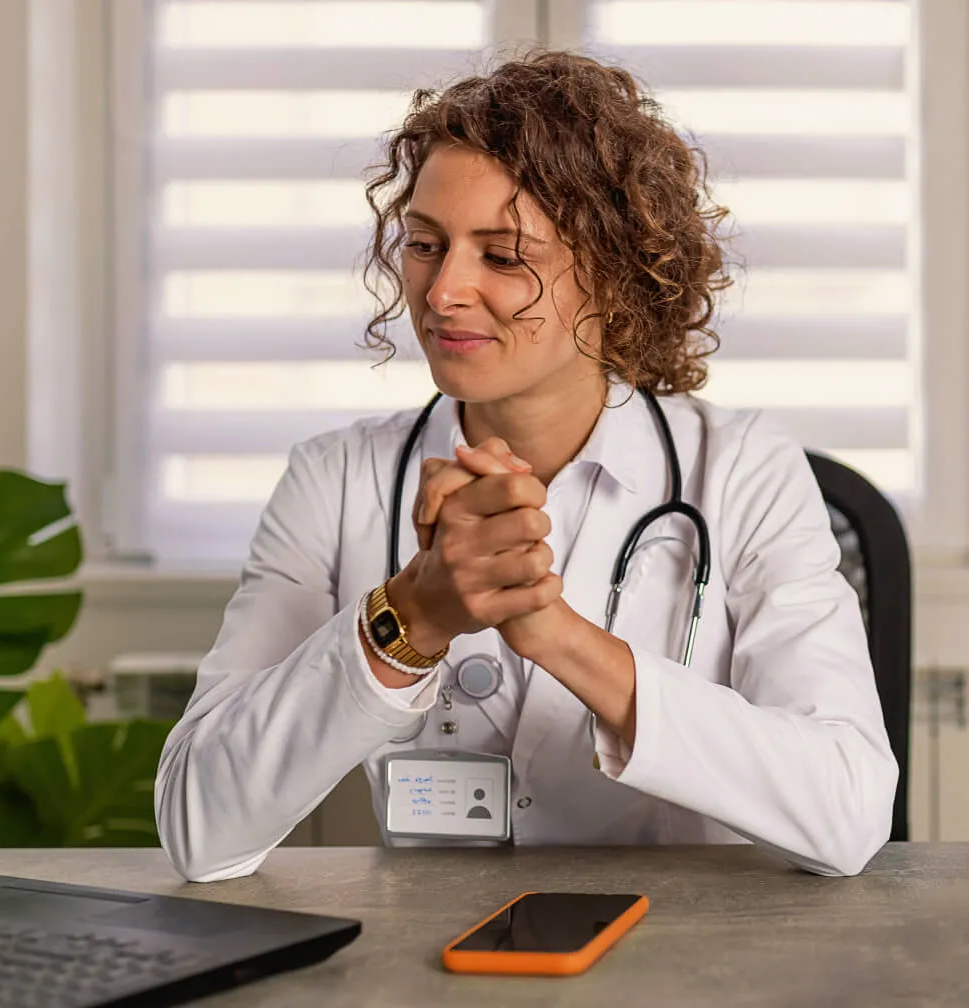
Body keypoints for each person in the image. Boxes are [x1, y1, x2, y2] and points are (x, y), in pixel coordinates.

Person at [154, 50, 898, 882]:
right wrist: (409, 621)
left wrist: (558, 636)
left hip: (693, 961)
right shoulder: (335, 480)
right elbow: (201, 829)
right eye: (427, 245)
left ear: (615, 277)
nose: (441, 293)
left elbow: (848, 813)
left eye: (502, 257)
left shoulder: (744, 471)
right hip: (431, 961)